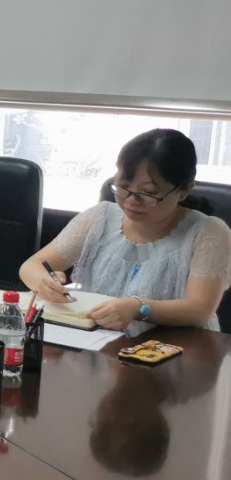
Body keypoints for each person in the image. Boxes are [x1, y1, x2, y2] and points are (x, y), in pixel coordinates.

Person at [19, 129, 230, 330]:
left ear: (183, 191)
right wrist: (44, 282)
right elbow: (32, 266)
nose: (131, 201)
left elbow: (199, 310)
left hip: (176, 347)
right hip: (98, 340)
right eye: (123, 187)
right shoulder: (99, 217)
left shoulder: (208, 233)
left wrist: (138, 308)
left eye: (148, 193)